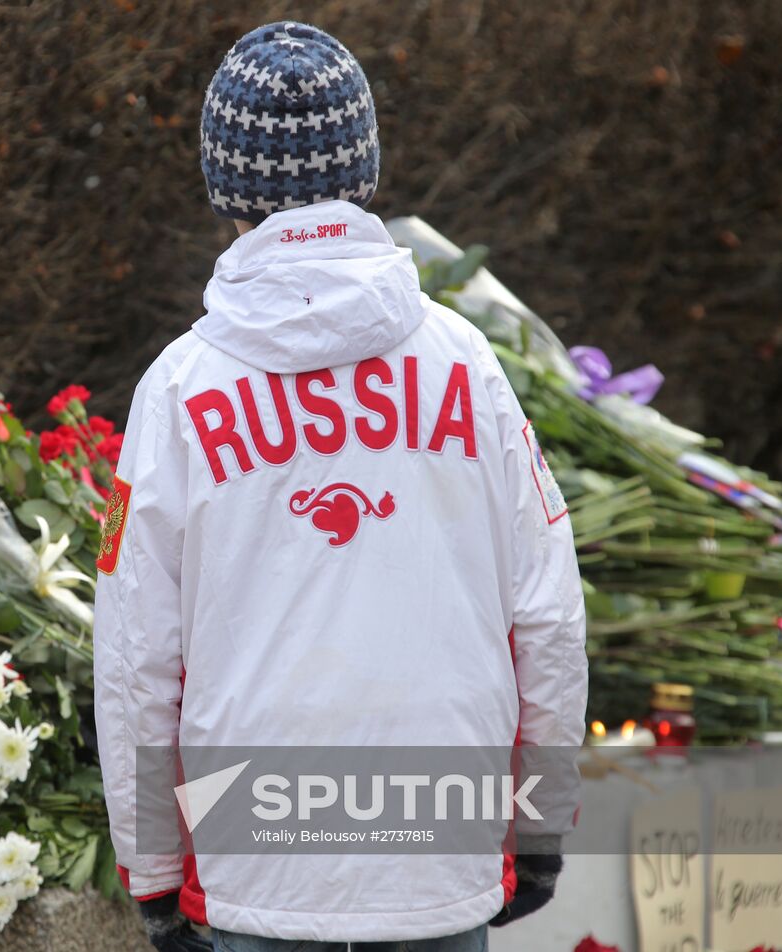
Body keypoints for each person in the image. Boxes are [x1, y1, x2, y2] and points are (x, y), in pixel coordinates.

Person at [91, 21, 588, 952]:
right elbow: (550, 613)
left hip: (256, 848)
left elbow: (133, 658)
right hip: (439, 837)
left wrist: (153, 869)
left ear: (224, 182)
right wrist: (540, 827)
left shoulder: (181, 388)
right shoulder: (466, 365)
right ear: (362, 171)